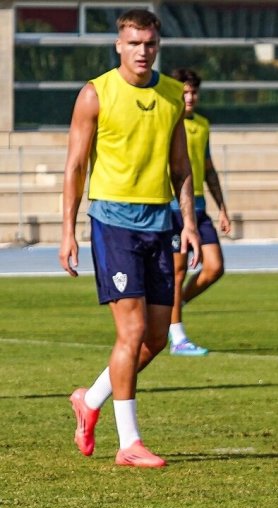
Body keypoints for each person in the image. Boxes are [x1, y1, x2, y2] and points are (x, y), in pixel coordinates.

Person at [60, 8, 198, 468]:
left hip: (160, 223)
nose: (143, 51)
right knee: (132, 330)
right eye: (134, 43)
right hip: (113, 223)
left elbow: (180, 167)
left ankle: (90, 398)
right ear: (119, 45)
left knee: (155, 339)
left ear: (158, 45)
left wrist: (191, 224)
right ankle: (129, 443)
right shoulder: (95, 94)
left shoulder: (172, 94)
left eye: (150, 44)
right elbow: (76, 166)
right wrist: (68, 232)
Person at [167, 67, 232, 356]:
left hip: (199, 208)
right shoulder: (167, 122)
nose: (190, 97)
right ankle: (178, 337)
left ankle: (172, 308)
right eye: (185, 91)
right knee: (178, 272)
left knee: (215, 267)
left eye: (194, 91)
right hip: (173, 207)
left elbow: (207, 167)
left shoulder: (202, 124)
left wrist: (222, 207)